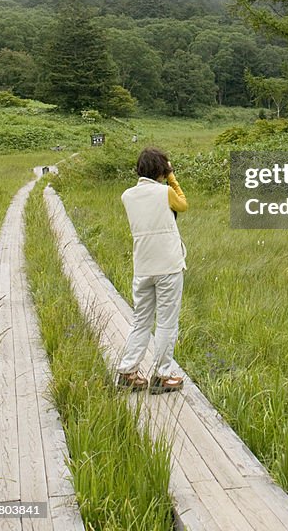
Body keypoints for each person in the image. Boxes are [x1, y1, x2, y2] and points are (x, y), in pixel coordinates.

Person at [116, 146, 187, 393]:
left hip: (143, 266)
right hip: (168, 265)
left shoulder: (127, 195)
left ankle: (127, 372)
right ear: (161, 169)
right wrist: (172, 177)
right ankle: (162, 375)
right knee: (167, 322)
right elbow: (183, 205)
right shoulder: (165, 192)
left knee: (140, 322)